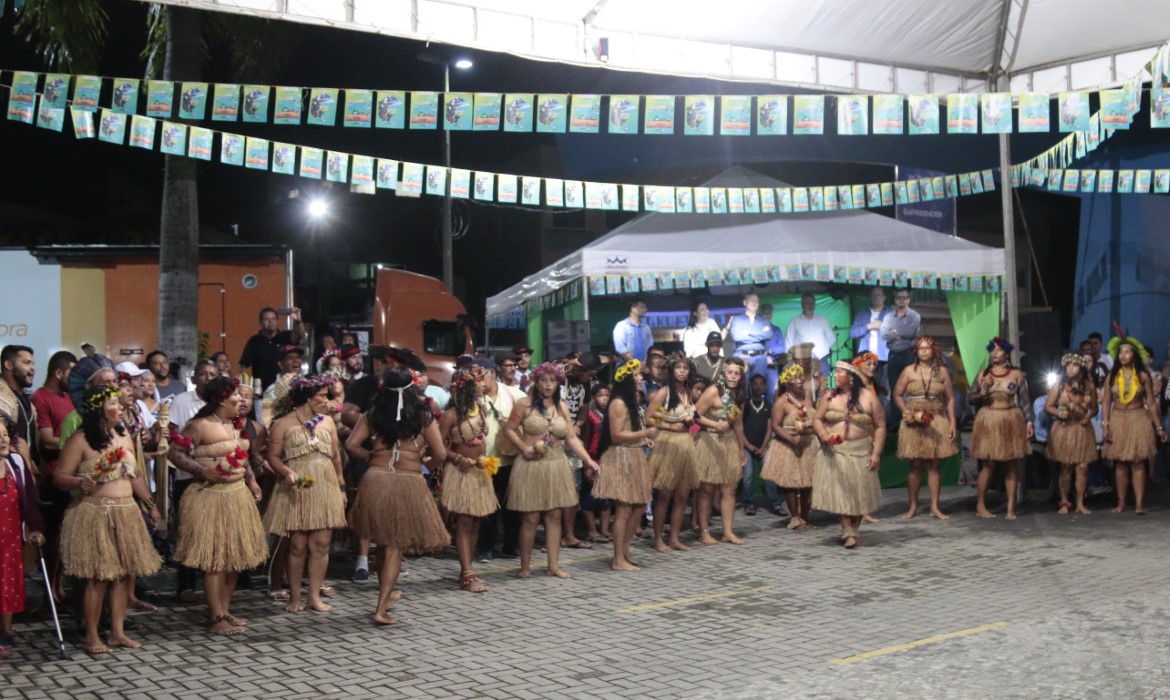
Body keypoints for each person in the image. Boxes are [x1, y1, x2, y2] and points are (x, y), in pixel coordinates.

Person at [54, 386, 161, 653]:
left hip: (126, 511)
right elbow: (59, 477)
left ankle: (117, 632)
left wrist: (150, 505)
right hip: (95, 512)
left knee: (124, 575)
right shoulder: (80, 440)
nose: (121, 407)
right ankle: (92, 636)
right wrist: (81, 481)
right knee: (98, 577)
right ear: (99, 408)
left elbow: (135, 475)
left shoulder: (123, 435)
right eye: (114, 402)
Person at [346, 366, 449, 626]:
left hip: (376, 480)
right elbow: (441, 454)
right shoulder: (423, 416)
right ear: (412, 387)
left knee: (383, 543)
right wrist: (425, 463)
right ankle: (380, 608)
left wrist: (370, 456)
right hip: (407, 482)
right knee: (393, 546)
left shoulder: (373, 413)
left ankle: (386, 594)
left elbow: (351, 445)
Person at [167, 378, 266, 634]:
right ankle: (215, 617)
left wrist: (252, 481)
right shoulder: (199, 426)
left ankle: (225, 609)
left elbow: (242, 459)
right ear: (222, 399)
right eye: (236, 395)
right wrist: (202, 470)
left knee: (233, 559)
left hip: (237, 494)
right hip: (209, 497)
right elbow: (175, 454)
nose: (242, 400)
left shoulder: (236, 427)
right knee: (216, 560)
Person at [503, 362, 599, 579]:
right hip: (531, 465)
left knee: (555, 517)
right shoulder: (524, 405)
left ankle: (553, 565)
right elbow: (509, 429)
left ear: (558, 384)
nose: (548, 385)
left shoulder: (562, 407)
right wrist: (524, 448)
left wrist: (588, 460)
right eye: (544, 380)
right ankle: (525, 565)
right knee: (530, 518)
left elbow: (571, 438)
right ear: (536, 382)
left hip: (556, 463)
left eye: (553, 381)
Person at [264, 376, 346, 613]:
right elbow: (273, 456)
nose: (326, 400)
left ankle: (314, 596)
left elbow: (336, 456)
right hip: (298, 486)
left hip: (325, 483)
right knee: (297, 545)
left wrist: (341, 486)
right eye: (321, 395)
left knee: (321, 544)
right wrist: (286, 471)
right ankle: (295, 598)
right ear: (306, 398)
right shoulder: (283, 424)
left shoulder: (328, 422)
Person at [811, 362, 887, 549]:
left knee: (859, 494)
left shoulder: (868, 397)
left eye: (839, 373)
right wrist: (824, 436)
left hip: (861, 450)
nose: (835, 375)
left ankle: (854, 529)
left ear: (851, 377)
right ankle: (848, 532)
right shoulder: (829, 397)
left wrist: (876, 453)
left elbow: (880, 426)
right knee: (842, 494)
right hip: (836, 452)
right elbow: (817, 419)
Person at [439, 366, 498, 593]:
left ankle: (469, 569)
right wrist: (456, 457)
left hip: (480, 471)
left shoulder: (480, 408)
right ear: (467, 386)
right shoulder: (452, 414)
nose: (483, 385)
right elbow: (440, 446)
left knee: (475, 520)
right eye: (480, 381)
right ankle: (466, 574)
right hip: (461, 472)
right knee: (464, 521)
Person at [593, 360, 655, 571]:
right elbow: (617, 435)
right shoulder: (618, 402)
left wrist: (642, 440)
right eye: (637, 375)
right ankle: (617, 559)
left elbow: (629, 429)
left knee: (639, 507)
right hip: (621, 457)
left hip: (634, 454)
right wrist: (645, 433)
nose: (641, 378)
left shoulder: (631, 401)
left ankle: (625, 549)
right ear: (627, 378)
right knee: (624, 508)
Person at [892, 336, 958, 520]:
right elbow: (897, 394)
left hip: (936, 418)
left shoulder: (943, 372)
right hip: (913, 420)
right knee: (915, 465)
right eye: (920, 348)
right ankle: (912, 507)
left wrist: (953, 422)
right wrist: (906, 412)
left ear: (934, 351)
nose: (923, 351)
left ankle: (935, 507)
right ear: (916, 351)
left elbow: (950, 399)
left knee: (934, 465)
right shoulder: (908, 371)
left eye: (927, 348)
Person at [968, 337, 1033, 520]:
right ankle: (980, 505)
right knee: (988, 464)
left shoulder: (1017, 374)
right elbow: (970, 399)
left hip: (1010, 418)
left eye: (999, 350)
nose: (995, 352)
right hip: (989, 419)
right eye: (992, 349)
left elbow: (1025, 400)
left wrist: (1029, 422)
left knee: (1011, 464)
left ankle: (1011, 508)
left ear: (1007, 353)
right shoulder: (983, 374)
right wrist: (982, 392)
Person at [475, 357, 531, 562]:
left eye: (481, 376)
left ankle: (511, 545)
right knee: (486, 507)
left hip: (510, 459)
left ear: (492, 374)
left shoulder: (514, 394)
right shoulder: (472, 396)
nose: (479, 381)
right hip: (484, 460)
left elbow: (531, 414)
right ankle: (485, 547)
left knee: (512, 505)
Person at [30, 350, 76, 601]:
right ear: (58, 373)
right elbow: (47, 440)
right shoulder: (40, 398)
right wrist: (77, 444)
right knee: (52, 537)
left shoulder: (69, 397)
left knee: (65, 537)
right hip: (51, 477)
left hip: (71, 476)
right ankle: (50, 589)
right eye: (71, 372)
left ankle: (59, 584)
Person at [1102, 336, 1163, 514]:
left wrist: (1159, 427)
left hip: (1138, 419)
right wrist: (1105, 424)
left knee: (1137, 462)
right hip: (1118, 419)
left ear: (1134, 355)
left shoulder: (1143, 376)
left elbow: (1151, 403)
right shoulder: (1112, 376)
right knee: (1120, 463)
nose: (1123, 355)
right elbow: (1106, 402)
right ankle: (1121, 502)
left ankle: (1139, 503)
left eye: (1127, 351)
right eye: (1121, 352)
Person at [1, 420, 45, 657]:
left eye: (6, 434)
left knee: (8, 582)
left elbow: (29, 500)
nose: (3, 440)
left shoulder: (16, 463)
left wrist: (36, 528)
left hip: (10, 536)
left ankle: (6, 630)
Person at [646, 355, 697, 553]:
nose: (682, 371)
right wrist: (670, 426)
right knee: (664, 496)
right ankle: (658, 539)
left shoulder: (688, 393)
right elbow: (648, 418)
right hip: (667, 445)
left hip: (686, 446)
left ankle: (674, 538)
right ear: (671, 370)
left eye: (685, 368)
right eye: (679, 367)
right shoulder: (664, 393)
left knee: (682, 496)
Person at [693, 358, 748, 546]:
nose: (733, 376)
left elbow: (739, 424)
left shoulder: (739, 395)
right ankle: (704, 532)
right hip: (709, 441)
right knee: (706, 489)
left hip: (729, 443)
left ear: (741, 376)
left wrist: (741, 450)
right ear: (724, 373)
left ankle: (727, 532)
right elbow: (694, 415)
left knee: (729, 488)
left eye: (737, 373)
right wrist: (715, 424)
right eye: (730, 372)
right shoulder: (713, 391)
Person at [763, 364, 816, 530]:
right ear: (787, 383)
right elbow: (776, 426)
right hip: (788, 444)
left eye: (800, 377)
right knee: (791, 482)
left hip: (808, 443)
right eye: (795, 378)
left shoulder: (807, 396)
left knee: (808, 482)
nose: (800, 381)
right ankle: (794, 518)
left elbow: (813, 416)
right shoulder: (781, 401)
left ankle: (805, 517)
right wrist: (791, 440)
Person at [1045, 354, 1098, 515]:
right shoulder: (1058, 386)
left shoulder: (1089, 386)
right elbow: (1048, 406)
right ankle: (1064, 501)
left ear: (1081, 369)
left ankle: (1080, 503)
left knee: (1082, 467)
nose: (1070, 368)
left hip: (1082, 430)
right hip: (1064, 429)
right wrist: (1059, 413)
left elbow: (1095, 408)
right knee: (1066, 467)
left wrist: (1089, 415)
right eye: (1068, 365)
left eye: (1074, 365)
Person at [239, 306, 306, 391]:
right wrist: (245, 387)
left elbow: (300, 335)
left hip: (285, 388)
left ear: (277, 321)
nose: (270, 322)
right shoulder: (254, 341)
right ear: (260, 322)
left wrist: (298, 321)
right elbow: (243, 366)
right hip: (261, 391)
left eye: (273, 319)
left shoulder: (285, 336)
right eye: (266, 319)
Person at [881, 289, 921, 428]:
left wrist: (896, 333)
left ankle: (911, 420)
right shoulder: (888, 317)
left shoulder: (914, 316)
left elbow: (909, 332)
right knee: (894, 390)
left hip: (909, 355)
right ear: (895, 299)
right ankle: (895, 423)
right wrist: (897, 335)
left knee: (909, 389)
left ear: (909, 300)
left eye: (904, 298)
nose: (901, 300)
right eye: (899, 298)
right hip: (893, 355)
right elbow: (884, 334)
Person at [739, 374, 774, 516]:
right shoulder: (745, 404)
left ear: (765, 387)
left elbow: (770, 428)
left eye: (761, 384)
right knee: (747, 476)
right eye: (755, 384)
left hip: (763, 446)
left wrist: (763, 447)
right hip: (747, 446)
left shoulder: (768, 406)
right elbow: (739, 426)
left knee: (769, 475)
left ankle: (776, 504)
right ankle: (749, 504)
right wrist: (748, 446)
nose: (758, 387)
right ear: (750, 386)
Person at [728, 293, 773, 398]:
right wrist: (760, 334)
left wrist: (748, 333)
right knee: (742, 387)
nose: (754, 303)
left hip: (760, 357)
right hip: (742, 356)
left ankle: (759, 412)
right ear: (745, 302)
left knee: (759, 388)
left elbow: (769, 335)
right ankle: (743, 412)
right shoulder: (737, 319)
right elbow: (736, 337)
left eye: (757, 301)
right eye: (752, 300)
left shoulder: (764, 320)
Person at [0, 345, 37, 469]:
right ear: (9, 365)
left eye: (33, 363)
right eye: (27, 363)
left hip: (26, 471)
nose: (32, 368)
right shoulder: (1, 396)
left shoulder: (25, 398)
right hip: (8, 471)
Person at [850, 287, 893, 391]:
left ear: (884, 298)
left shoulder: (891, 314)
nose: (876, 297)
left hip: (884, 358)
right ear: (870, 297)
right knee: (865, 388)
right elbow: (852, 334)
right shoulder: (862, 314)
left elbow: (896, 334)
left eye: (879, 295)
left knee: (884, 390)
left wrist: (883, 326)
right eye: (873, 295)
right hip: (866, 359)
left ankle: (882, 407)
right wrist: (867, 327)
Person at [785, 294, 835, 374]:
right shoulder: (795, 321)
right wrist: (792, 361)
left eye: (812, 303)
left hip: (821, 360)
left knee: (823, 385)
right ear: (802, 305)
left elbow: (831, 338)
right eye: (807, 303)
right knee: (804, 385)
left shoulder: (822, 320)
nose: (810, 305)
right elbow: (788, 342)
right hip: (802, 361)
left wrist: (822, 351)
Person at [261, 346, 305, 426]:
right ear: (280, 364)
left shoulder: (307, 386)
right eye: (290, 358)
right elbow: (266, 420)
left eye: (298, 357)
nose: (296, 361)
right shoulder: (271, 390)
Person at [757, 303, 787, 402]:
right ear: (760, 314)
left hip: (771, 366)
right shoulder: (755, 329)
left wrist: (770, 351)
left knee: (772, 393)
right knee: (755, 392)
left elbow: (782, 348)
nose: (768, 315)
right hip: (757, 364)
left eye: (770, 313)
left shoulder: (776, 330)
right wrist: (764, 356)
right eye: (765, 313)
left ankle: (770, 416)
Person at [613, 297, 653, 364]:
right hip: (626, 368)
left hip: (643, 367)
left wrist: (644, 363)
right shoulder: (621, 326)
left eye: (645, 307)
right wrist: (636, 365)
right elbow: (621, 348)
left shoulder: (646, 328)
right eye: (642, 307)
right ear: (633, 308)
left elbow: (648, 348)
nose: (646, 309)